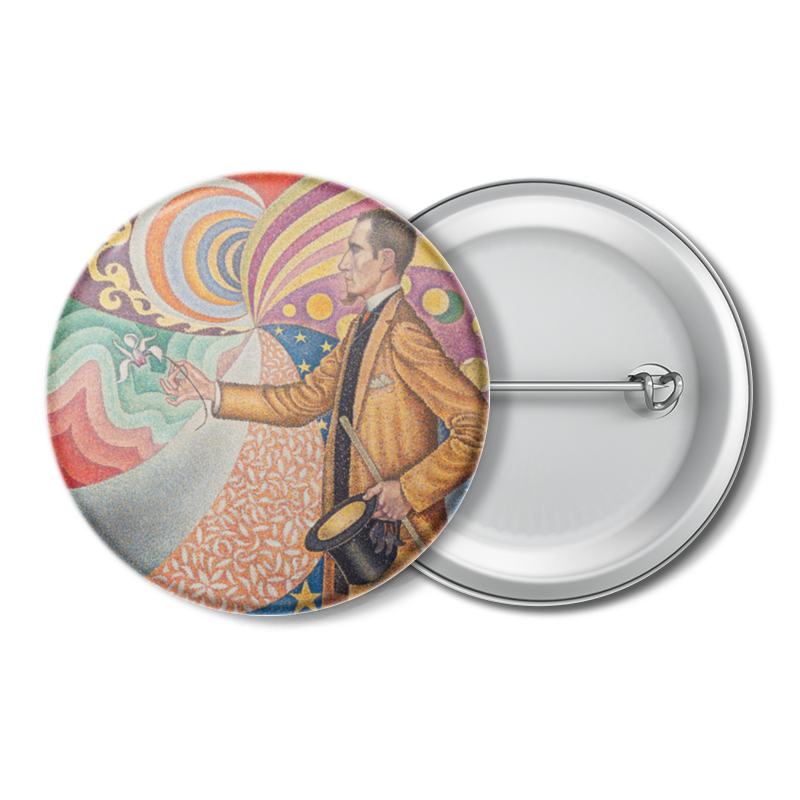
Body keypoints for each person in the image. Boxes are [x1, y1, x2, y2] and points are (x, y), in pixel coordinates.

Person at [161, 208, 487, 603]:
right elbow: (301, 401)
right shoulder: (361, 329)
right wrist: (211, 391)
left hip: (397, 546)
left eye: (355, 250)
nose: (342, 264)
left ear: (385, 260)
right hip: (350, 545)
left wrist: (408, 490)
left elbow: (476, 424)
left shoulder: (403, 333)